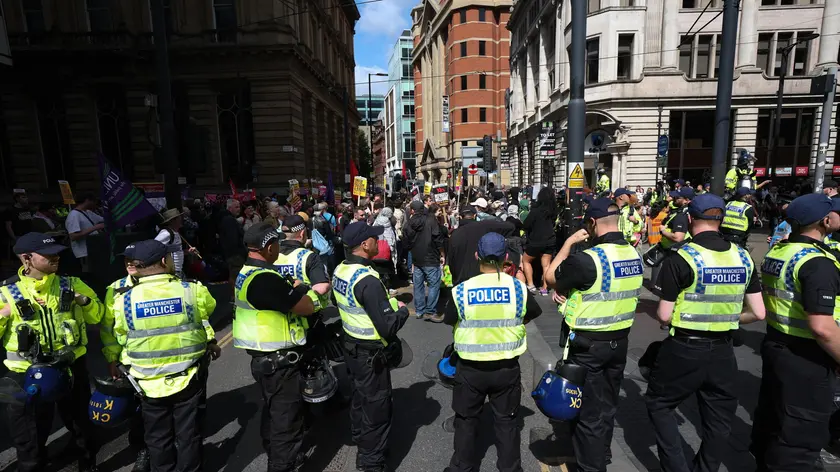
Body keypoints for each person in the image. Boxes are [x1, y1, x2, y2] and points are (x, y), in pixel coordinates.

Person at [645, 194, 765, 472]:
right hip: (723, 350)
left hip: (685, 347)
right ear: (721, 220)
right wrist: (727, 319)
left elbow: (664, 315)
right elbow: (758, 313)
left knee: (659, 403)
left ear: (689, 220)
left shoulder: (682, 257)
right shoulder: (743, 256)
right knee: (720, 420)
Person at [545, 199, 644, 472]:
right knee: (608, 406)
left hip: (588, 347)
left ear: (591, 224)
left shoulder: (588, 259)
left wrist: (568, 242)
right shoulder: (634, 255)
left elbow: (551, 277)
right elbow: (605, 292)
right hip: (619, 342)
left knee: (588, 413)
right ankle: (603, 453)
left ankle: (592, 465)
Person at [107, 239, 218, 472]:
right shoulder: (191, 290)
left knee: (157, 437)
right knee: (188, 434)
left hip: (146, 382)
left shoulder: (122, 299)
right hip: (188, 376)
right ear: (164, 261)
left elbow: (119, 334)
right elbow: (208, 309)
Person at [0, 232, 105, 472]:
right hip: (23, 374)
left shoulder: (71, 283)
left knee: (81, 422)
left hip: (70, 366)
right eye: (48, 255)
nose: (56, 258)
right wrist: (2, 315)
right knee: (27, 431)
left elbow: (99, 315)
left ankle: (87, 463)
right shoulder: (5, 292)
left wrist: (83, 301)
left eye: (57, 253)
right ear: (26, 258)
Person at [750, 193, 840, 471]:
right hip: (808, 357)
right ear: (825, 221)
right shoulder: (818, 263)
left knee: (774, 421)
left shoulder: (780, 251)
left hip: (778, 344)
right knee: (800, 439)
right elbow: (822, 328)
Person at [443, 232, 542, 472]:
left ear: (478, 256)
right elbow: (532, 313)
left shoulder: (462, 290)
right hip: (506, 368)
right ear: (505, 258)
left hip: (470, 369)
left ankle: (462, 468)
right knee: (507, 422)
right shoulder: (518, 288)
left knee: (466, 422)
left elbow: (449, 320)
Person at [232, 223, 317, 472]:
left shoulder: (248, 271)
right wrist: (304, 293)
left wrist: (295, 289)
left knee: (273, 413)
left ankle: (275, 453)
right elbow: (306, 307)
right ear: (269, 247)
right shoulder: (264, 279)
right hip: (279, 362)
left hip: (265, 360)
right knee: (286, 421)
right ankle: (282, 464)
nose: (280, 247)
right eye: (277, 244)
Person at [333, 222, 410, 472]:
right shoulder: (368, 280)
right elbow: (387, 327)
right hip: (370, 354)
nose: (379, 242)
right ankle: (371, 461)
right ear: (365, 245)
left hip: (351, 347)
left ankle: (359, 436)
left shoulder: (341, 269)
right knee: (377, 407)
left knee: (359, 397)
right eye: (375, 239)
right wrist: (402, 312)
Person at [100, 243, 150, 472]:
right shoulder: (115, 289)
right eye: (126, 259)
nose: (129, 263)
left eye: (135, 258)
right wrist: (113, 359)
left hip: (161, 359)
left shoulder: (166, 284)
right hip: (130, 361)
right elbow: (108, 329)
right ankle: (142, 449)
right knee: (138, 410)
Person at [276, 215, 332, 310]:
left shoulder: (273, 254)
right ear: (302, 233)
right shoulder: (309, 257)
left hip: (280, 310)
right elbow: (321, 288)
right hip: (307, 311)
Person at [403, 200, 446, 321]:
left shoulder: (408, 224)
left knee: (418, 285)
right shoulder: (430, 220)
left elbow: (406, 243)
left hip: (417, 258)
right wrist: (442, 254)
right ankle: (430, 311)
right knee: (434, 284)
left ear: (412, 210)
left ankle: (419, 310)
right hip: (431, 257)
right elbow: (438, 238)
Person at [522, 187, 558, 296]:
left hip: (535, 241)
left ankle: (531, 285)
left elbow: (526, 224)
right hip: (550, 240)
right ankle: (545, 288)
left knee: (526, 260)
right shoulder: (553, 211)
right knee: (546, 265)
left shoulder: (535, 210)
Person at [65, 194, 105, 273]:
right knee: (89, 273)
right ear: (87, 200)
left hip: (94, 250)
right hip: (83, 253)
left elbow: (103, 220)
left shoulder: (88, 212)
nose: (95, 204)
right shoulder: (74, 215)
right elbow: (73, 236)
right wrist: (95, 227)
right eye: (94, 201)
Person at [156, 208, 191, 278]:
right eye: (179, 218)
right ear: (173, 220)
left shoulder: (176, 233)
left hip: (179, 270)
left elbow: (176, 251)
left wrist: (187, 252)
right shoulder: (166, 233)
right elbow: (155, 247)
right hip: (172, 272)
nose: (181, 219)